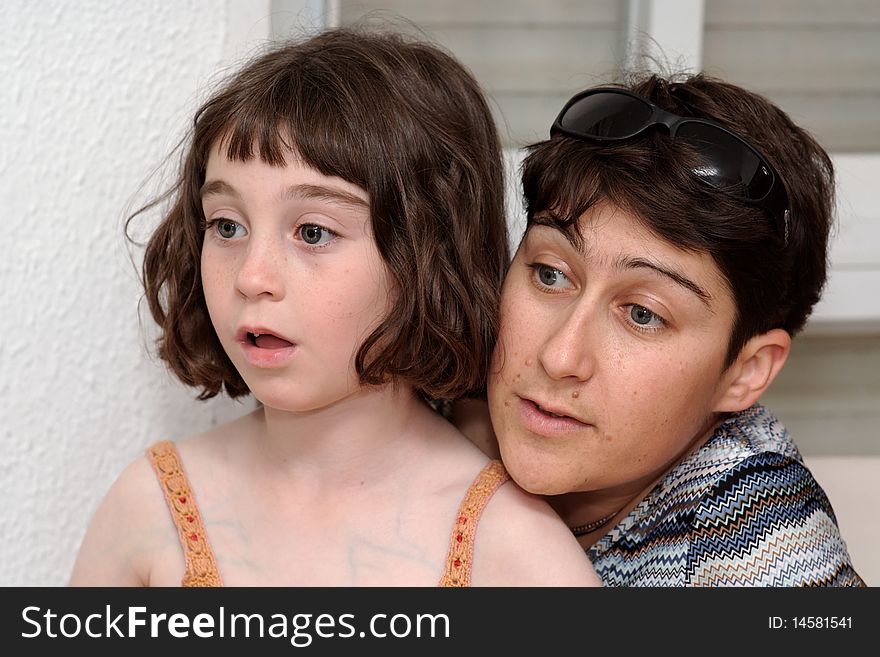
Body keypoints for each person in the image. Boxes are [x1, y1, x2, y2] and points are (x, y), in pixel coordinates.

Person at [68, 28, 601, 587]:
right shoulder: (151, 509)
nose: (252, 276)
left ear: (427, 257)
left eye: (313, 232)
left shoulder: (517, 555)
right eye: (227, 226)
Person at [484, 72, 866, 586]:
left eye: (643, 313)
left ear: (745, 373)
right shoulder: (429, 399)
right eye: (551, 274)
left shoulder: (759, 553)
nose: (560, 356)